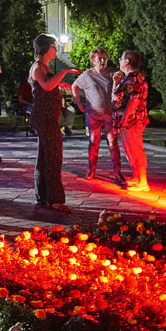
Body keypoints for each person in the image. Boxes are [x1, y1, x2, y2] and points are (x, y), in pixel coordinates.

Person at [28, 35, 80, 211]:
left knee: (45, 157)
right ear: (44, 48)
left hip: (48, 116)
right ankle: (55, 199)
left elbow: (49, 86)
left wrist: (60, 84)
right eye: (53, 47)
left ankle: (43, 196)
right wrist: (64, 72)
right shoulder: (37, 67)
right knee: (53, 157)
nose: (56, 50)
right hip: (44, 117)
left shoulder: (43, 66)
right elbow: (46, 85)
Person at [72, 49, 121, 180]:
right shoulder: (87, 75)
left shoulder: (112, 73)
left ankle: (117, 172)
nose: (103, 61)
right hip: (93, 114)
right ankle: (91, 170)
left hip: (110, 113)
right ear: (93, 60)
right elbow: (74, 86)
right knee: (94, 141)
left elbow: (121, 90)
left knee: (113, 142)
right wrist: (78, 103)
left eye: (104, 58)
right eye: (99, 58)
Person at [111, 50, 150, 191]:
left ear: (127, 61)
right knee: (129, 149)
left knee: (135, 149)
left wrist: (125, 118)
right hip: (127, 120)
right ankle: (136, 176)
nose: (119, 61)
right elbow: (116, 97)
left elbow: (134, 101)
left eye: (121, 59)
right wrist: (115, 83)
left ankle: (143, 182)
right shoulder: (127, 78)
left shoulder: (135, 78)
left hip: (133, 120)